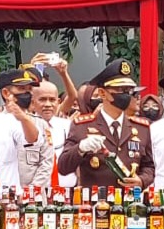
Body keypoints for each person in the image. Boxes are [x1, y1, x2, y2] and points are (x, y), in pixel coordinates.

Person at [57, 60, 155, 191]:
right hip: (96, 204)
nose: (126, 95)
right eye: (120, 90)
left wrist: (141, 180)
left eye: (128, 90)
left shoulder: (141, 128)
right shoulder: (82, 126)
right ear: (102, 93)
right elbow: (63, 167)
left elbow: (149, 166)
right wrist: (80, 148)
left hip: (129, 204)